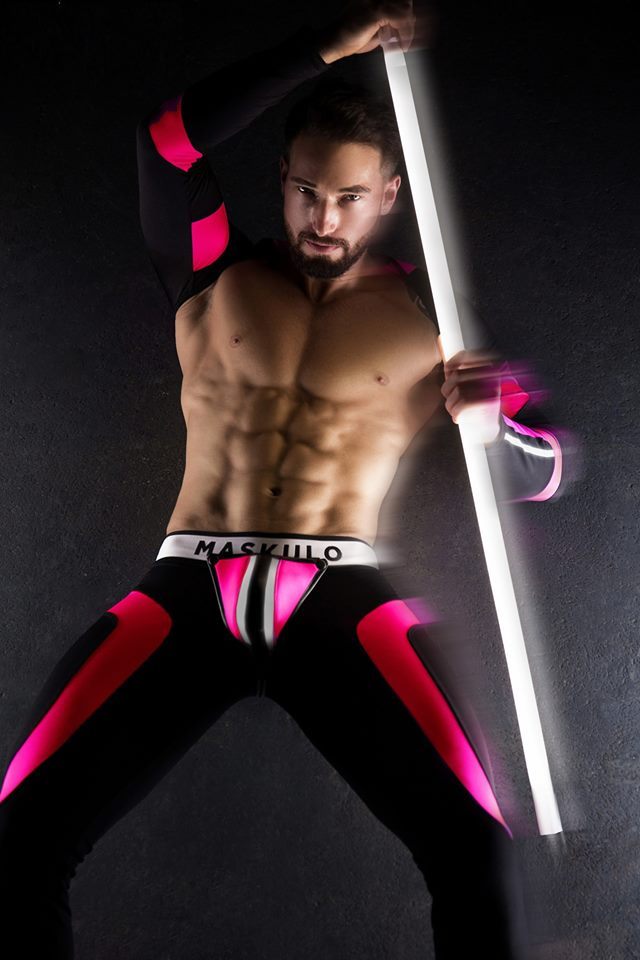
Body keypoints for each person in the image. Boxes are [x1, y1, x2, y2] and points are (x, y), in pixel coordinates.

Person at [0, 1, 573, 956]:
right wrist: (326, 46)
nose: (324, 218)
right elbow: (164, 141)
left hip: (341, 595)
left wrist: (491, 425)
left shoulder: (435, 315)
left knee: (479, 855)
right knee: (20, 839)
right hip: (188, 584)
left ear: (388, 194)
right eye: (307, 191)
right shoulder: (212, 274)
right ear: (283, 180)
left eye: (349, 197)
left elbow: (549, 470)